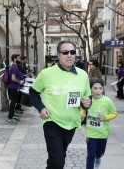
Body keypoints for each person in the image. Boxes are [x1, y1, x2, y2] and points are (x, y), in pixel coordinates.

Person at [29, 40, 92, 169]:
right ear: (58, 55)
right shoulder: (46, 73)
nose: (69, 55)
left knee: (59, 156)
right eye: (65, 52)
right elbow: (33, 92)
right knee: (57, 161)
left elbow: (87, 98)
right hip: (52, 121)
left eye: (72, 52)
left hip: (71, 123)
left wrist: (87, 103)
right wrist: (41, 108)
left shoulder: (83, 75)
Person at [80, 77, 117, 169]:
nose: (98, 91)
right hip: (91, 133)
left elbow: (114, 113)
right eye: (95, 88)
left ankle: (98, 157)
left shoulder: (107, 101)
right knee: (90, 155)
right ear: (90, 89)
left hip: (103, 133)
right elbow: (82, 110)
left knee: (100, 153)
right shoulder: (87, 100)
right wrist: (81, 115)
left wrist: (105, 117)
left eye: (100, 88)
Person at [7, 54, 24, 122]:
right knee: (13, 102)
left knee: (14, 102)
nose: (20, 60)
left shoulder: (14, 67)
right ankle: (10, 117)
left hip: (13, 87)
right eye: (18, 58)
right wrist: (19, 82)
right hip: (13, 87)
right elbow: (13, 78)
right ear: (14, 59)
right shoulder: (14, 68)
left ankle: (12, 115)